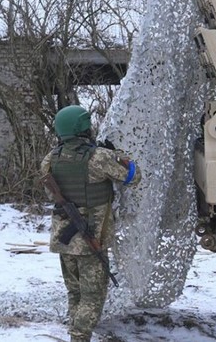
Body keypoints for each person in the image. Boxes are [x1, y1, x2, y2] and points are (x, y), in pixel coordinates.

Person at [41, 105, 141, 342]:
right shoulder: (99, 157)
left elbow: (49, 194)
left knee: (75, 292)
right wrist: (120, 155)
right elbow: (133, 176)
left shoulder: (50, 158)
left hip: (64, 238)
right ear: (84, 128)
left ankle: (77, 332)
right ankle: (79, 336)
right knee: (93, 297)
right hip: (90, 240)